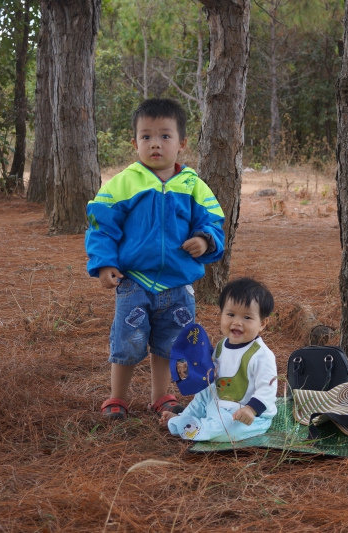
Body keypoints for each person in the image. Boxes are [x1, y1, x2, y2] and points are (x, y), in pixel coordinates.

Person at [85, 98, 225, 420]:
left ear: (182, 143)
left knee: (168, 343)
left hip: (178, 283)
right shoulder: (123, 183)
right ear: (135, 143)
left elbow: (214, 221)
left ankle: (160, 396)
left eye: (165, 136)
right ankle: (117, 398)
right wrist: (104, 263)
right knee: (128, 340)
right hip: (134, 281)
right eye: (146, 137)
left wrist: (205, 240)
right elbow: (99, 225)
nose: (155, 144)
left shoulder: (194, 186)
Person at [160, 277, 278, 442]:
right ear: (221, 314)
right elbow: (213, 372)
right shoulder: (222, 345)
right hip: (220, 401)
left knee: (224, 430)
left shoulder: (261, 355)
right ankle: (184, 417)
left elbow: (268, 389)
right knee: (203, 395)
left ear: (262, 323)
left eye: (247, 318)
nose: (237, 322)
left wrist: (252, 409)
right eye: (231, 314)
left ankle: (184, 425)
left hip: (245, 414)